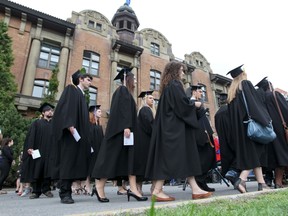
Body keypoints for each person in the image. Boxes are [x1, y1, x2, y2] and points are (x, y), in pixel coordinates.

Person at [145, 61, 213, 201]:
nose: (183, 73)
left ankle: (195, 189)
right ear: (175, 71)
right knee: (170, 158)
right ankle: (157, 190)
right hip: (174, 130)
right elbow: (182, 105)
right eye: (182, 70)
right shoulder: (175, 85)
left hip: (170, 128)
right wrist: (195, 104)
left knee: (185, 157)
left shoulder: (167, 87)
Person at [91, 68, 148, 202]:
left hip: (128, 132)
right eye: (133, 78)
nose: (135, 81)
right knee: (111, 159)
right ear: (126, 78)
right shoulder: (122, 90)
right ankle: (99, 186)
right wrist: (126, 126)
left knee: (130, 160)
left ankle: (133, 189)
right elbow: (122, 110)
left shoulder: (127, 92)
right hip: (121, 132)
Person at [226, 64, 271, 193]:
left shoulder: (232, 93)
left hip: (240, 130)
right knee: (257, 151)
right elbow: (254, 105)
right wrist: (265, 120)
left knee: (253, 155)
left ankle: (262, 184)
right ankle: (241, 179)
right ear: (242, 74)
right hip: (251, 126)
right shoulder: (245, 84)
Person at [50, 70, 92, 204]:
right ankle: (65, 192)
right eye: (88, 79)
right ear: (80, 79)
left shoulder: (80, 95)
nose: (90, 82)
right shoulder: (71, 90)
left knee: (73, 162)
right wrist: (70, 125)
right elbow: (66, 108)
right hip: (70, 134)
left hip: (78, 136)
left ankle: (68, 189)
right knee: (67, 162)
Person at [255, 77, 288, 188]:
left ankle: (272, 180)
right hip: (279, 130)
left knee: (273, 156)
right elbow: (285, 110)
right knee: (282, 155)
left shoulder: (258, 99)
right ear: (269, 86)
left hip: (266, 131)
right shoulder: (275, 95)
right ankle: (278, 182)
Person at [21, 102, 55, 199]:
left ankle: (46, 189)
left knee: (48, 170)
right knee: (37, 170)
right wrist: (30, 147)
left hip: (50, 151)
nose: (50, 112)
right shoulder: (36, 123)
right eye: (48, 110)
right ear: (43, 113)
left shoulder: (54, 124)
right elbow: (31, 136)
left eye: (51, 110)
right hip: (38, 151)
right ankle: (36, 191)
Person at [190, 84, 216, 192]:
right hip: (199, 136)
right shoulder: (190, 103)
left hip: (206, 135)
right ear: (194, 92)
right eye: (200, 92)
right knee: (202, 159)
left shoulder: (199, 103)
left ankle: (203, 181)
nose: (202, 94)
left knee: (209, 158)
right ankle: (199, 182)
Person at [214, 93, 240, 185]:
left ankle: (233, 179)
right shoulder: (230, 110)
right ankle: (234, 174)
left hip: (223, 139)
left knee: (228, 157)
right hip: (232, 136)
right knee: (237, 154)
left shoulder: (217, 114)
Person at [135, 90, 156, 194]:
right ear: (144, 99)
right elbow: (150, 126)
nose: (153, 100)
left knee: (141, 166)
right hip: (146, 142)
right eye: (150, 98)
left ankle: (139, 189)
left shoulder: (141, 111)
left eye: (153, 98)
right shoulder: (146, 110)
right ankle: (153, 188)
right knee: (149, 164)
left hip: (141, 142)